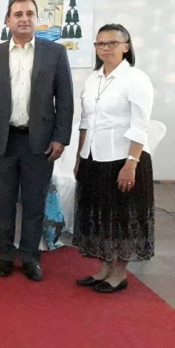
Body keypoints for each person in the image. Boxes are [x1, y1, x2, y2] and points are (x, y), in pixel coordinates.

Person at [0, 0, 74, 281]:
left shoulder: (54, 53)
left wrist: (61, 138)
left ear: (36, 20)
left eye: (29, 14)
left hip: (40, 142)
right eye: (18, 14)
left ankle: (31, 256)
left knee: (34, 203)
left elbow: (66, 100)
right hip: (3, 141)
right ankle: (6, 253)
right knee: (3, 202)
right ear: (7, 20)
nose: (24, 18)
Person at [73, 24, 154, 293]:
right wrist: (79, 156)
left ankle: (119, 273)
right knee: (98, 214)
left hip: (122, 159)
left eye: (112, 43)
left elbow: (141, 124)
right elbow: (85, 121)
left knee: (120, 216)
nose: (105, 48)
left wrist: (132, 163)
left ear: (126, 46)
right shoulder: (93, 78)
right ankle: (104, 269)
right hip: (93, 156)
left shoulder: (136, 79)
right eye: (100, 44)